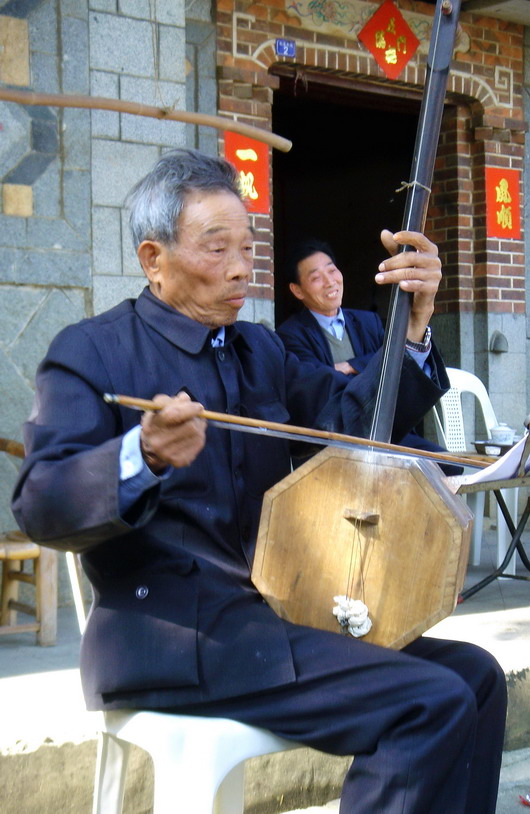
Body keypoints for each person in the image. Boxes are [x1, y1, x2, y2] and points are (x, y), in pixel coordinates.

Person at [12, 149, 506, 814]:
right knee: (428, 703)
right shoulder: (93, 350)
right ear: (153, 260)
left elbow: (352, 423)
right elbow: (42, 505)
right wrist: (141, 457)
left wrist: (413, 326)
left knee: (475, 678)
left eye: (247, 247)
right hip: (175, 640)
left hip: (278, 615)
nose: (242, 268)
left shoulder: (258, 349)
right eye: (217, 249)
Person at [276, 238, 460, 473]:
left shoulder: (367, 321)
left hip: (390, 433)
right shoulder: (290, 335)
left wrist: (351, 365)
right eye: (315, 278)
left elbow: (398, 362)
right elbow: (326, 390)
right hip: (336, 444)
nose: (329, 281)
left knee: (449, 466)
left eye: (332, 270)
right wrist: (373, 365)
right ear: (297, 290)